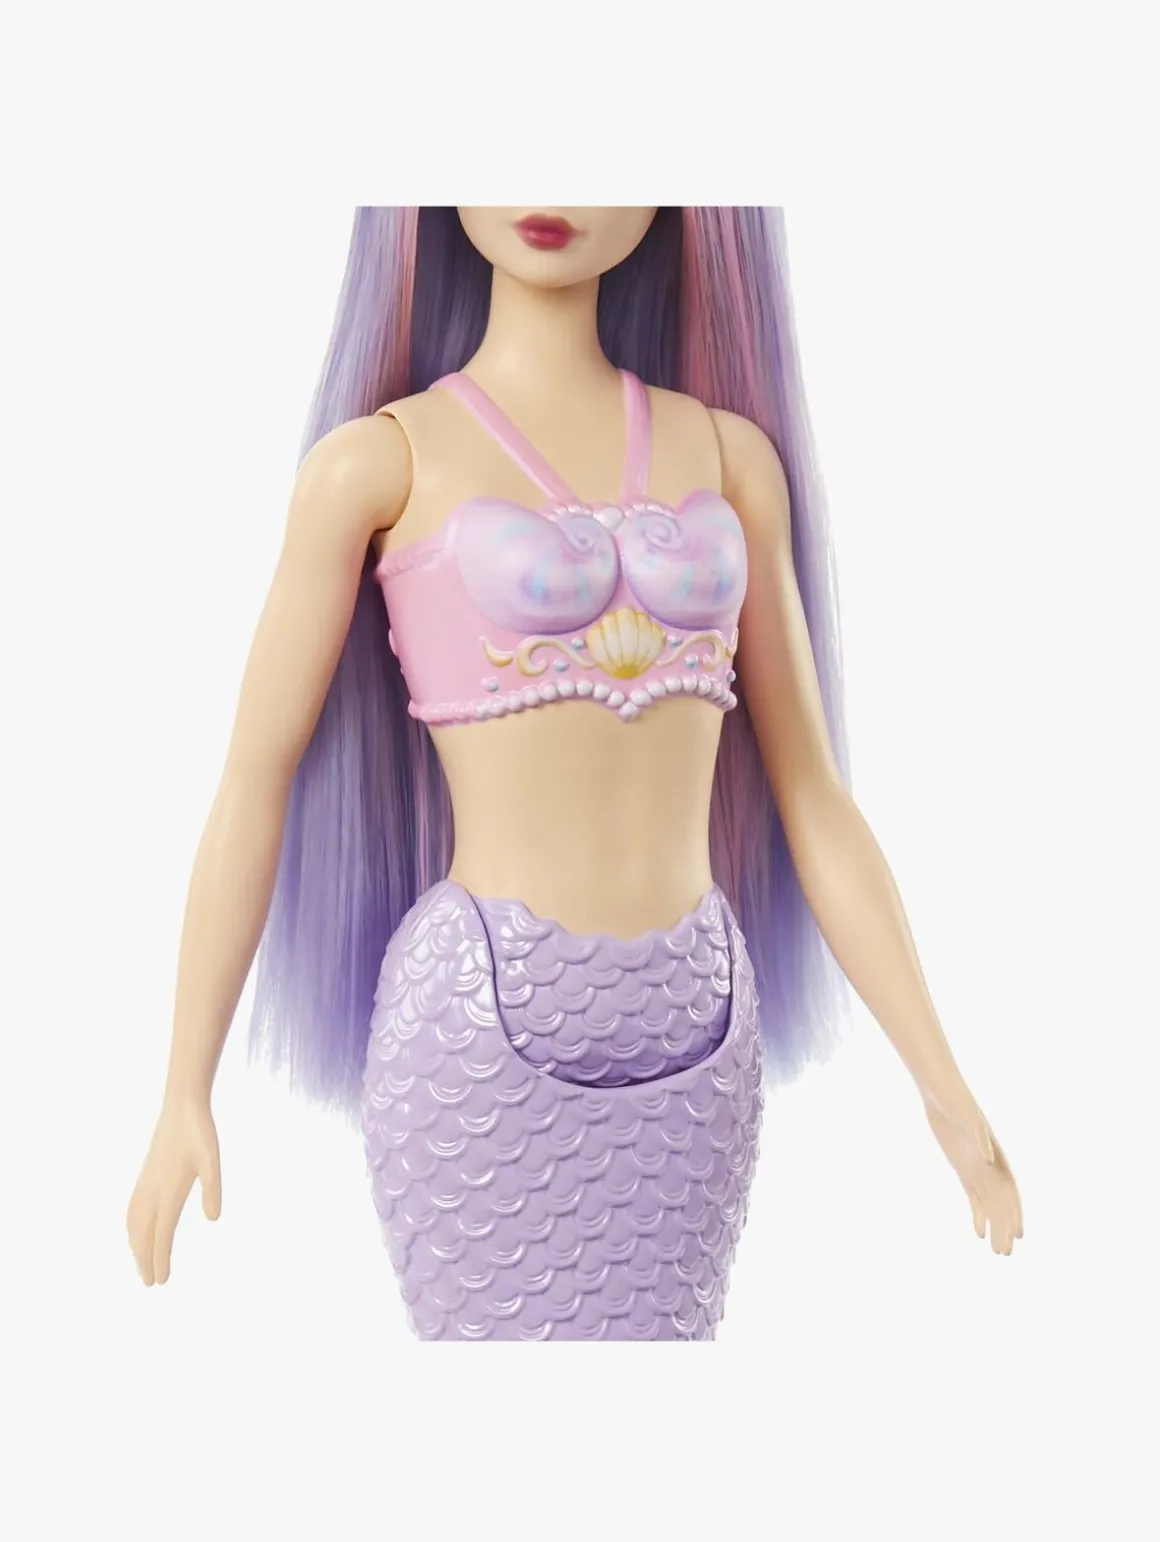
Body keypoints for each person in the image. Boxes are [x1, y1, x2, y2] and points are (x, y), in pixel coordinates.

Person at [126, 207, 1022, 1341]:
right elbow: (253, 781)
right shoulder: (379, 463)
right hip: (477, 1027)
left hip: (698, 1027)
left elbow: (814, 795)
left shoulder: (729, 458)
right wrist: (183, 1087)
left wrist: (940, 1080)